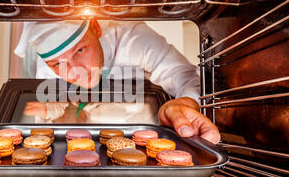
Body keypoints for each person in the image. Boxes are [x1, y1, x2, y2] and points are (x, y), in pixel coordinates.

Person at [14, 19, 220, 144]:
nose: (75, 72)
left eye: (80, 50)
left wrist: (184, 103)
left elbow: (187, 78)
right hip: (84, 138)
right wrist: (48, 110)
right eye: (58, 64)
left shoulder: (134, 39)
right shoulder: (46, 66)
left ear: (95, 27)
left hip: (141, 133)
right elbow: (54, 106)